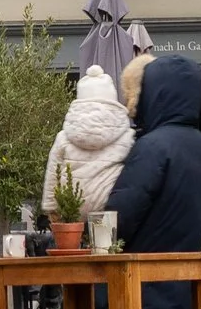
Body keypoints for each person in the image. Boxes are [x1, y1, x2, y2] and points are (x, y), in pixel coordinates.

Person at [106, 56, 201, 309]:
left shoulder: (154, 147)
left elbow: (120, 218)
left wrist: (90, 234)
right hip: (179, 290)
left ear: (154, 93)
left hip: (139, 292)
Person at [44, 65, 134, 220]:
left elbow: (54, 173)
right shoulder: (128, 136)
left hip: (71, 215)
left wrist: (51, 208)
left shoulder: (63, 137)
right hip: (112, 215)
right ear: (112, 100)